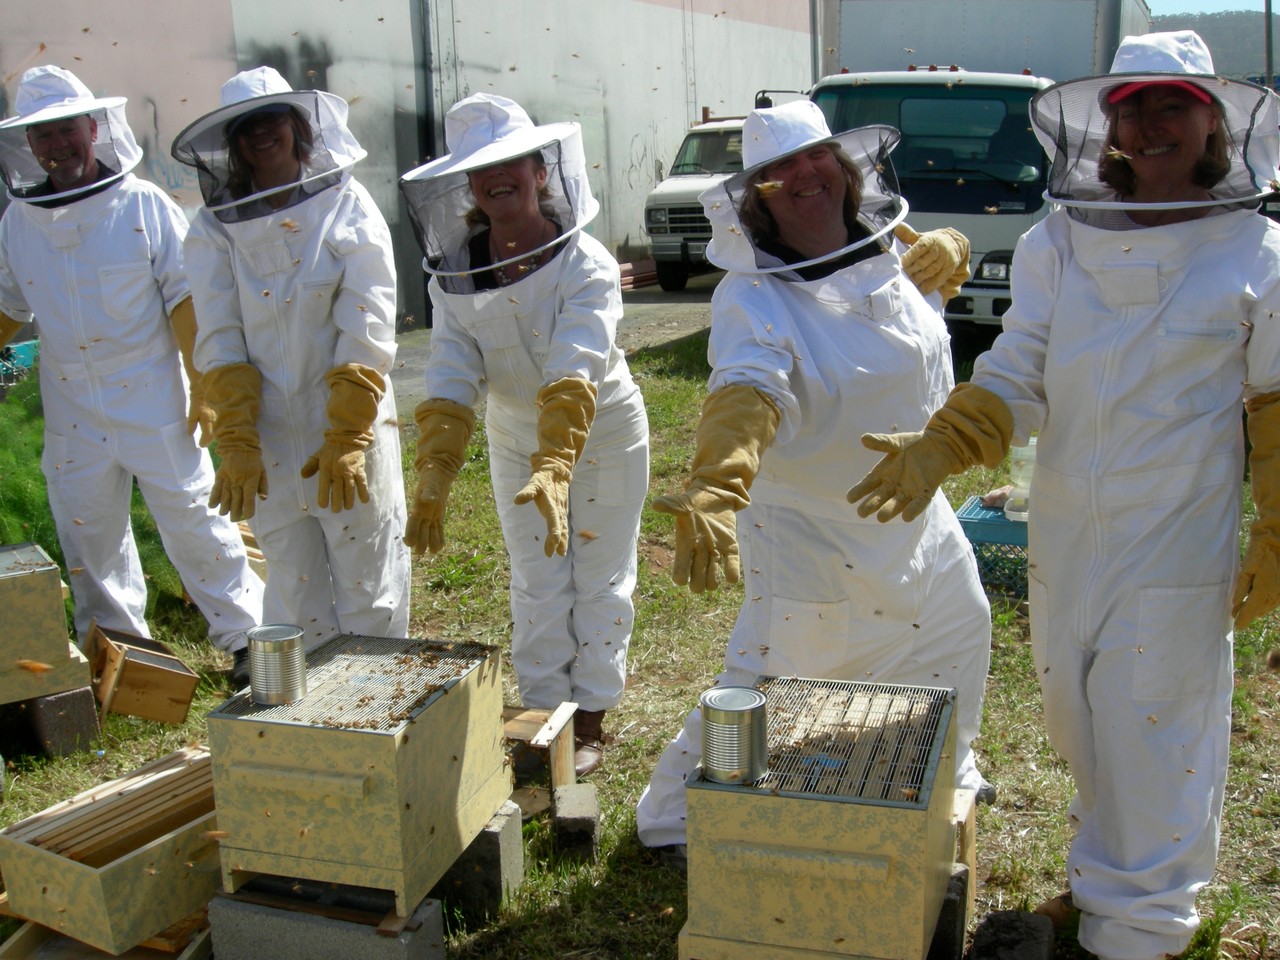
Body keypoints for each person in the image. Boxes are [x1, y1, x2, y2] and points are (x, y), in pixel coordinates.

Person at [847, 31, 1280, 960]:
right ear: (1107, 121)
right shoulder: (1058, 241)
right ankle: (1100, 885)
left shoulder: (1257, 250)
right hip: (1067, 531)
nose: (1152, 122)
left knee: (1154, 718)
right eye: (1134, 105)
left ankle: (1146, 926)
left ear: (1214, 120)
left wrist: (1277, 529)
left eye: (1174, 103)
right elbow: (1021, 369)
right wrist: (943, 443)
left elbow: (1277, 403)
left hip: (1177, 532)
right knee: (1077, 711)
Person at [634, 99, 993, 869]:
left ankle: (949, 771)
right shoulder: (753, 297)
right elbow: (748, 387)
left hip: (917, 506)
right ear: (753, 200)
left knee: (958, 632)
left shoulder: (890, 247)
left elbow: (918, 334)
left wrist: (948, 255)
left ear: (845, 165)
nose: (803, 176)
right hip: (814, 530)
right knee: (772, 683)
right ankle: (673, 820)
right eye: (776, 172)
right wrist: (718, 485)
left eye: (816, 157)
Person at [397, 94, 650, 777]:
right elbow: (452, 365)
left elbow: (577, 362)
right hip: (514, 436)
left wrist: (559, 456)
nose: (498, 178)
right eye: (482, 171)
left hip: (600, 433)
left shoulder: (585, 263)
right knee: (537, 578)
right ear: (467, 186)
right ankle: (544, 717)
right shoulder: (456, 268)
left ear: (542, 171)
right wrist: (436, 469)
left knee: (598, 574)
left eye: (513, 163)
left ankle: (591, 716)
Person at [0, 65, 264, 684]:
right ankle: (122, 659)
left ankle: (248, 640)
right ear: (28, 146)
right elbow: (10, 305)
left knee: (198, 520)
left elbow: (185, 296)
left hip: (155, 394)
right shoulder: (17, 222)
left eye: (68, 130)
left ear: (93, 128)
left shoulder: (142, 203)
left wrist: (205, 388)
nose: (57, 145)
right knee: (88, 535)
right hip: (70, 405)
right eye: (43, 136)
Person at [171, 67, 408, 649]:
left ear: (298, 126)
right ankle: (315, 727)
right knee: (292, 584)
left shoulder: (347, 204)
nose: (260, 133)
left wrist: (348, 432)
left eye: (271, 118)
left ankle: (373, 713)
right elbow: (218, 332)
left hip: (348, 428)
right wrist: (237, 435)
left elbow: (368, 320)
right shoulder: (212, 231)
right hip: (267, 433)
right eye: (245, 126)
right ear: (230, 144)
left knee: (368, 580)